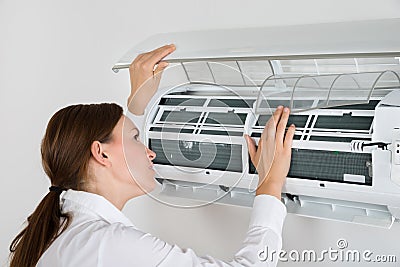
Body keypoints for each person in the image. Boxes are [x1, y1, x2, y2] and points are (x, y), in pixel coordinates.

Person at [9, 44, 295, 267]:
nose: (151, 152)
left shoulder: (59, 228)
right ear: (101, 154)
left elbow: (113, 142)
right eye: (136, 138)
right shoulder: (108, 243)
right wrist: (269, 183)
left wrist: (138, 103)